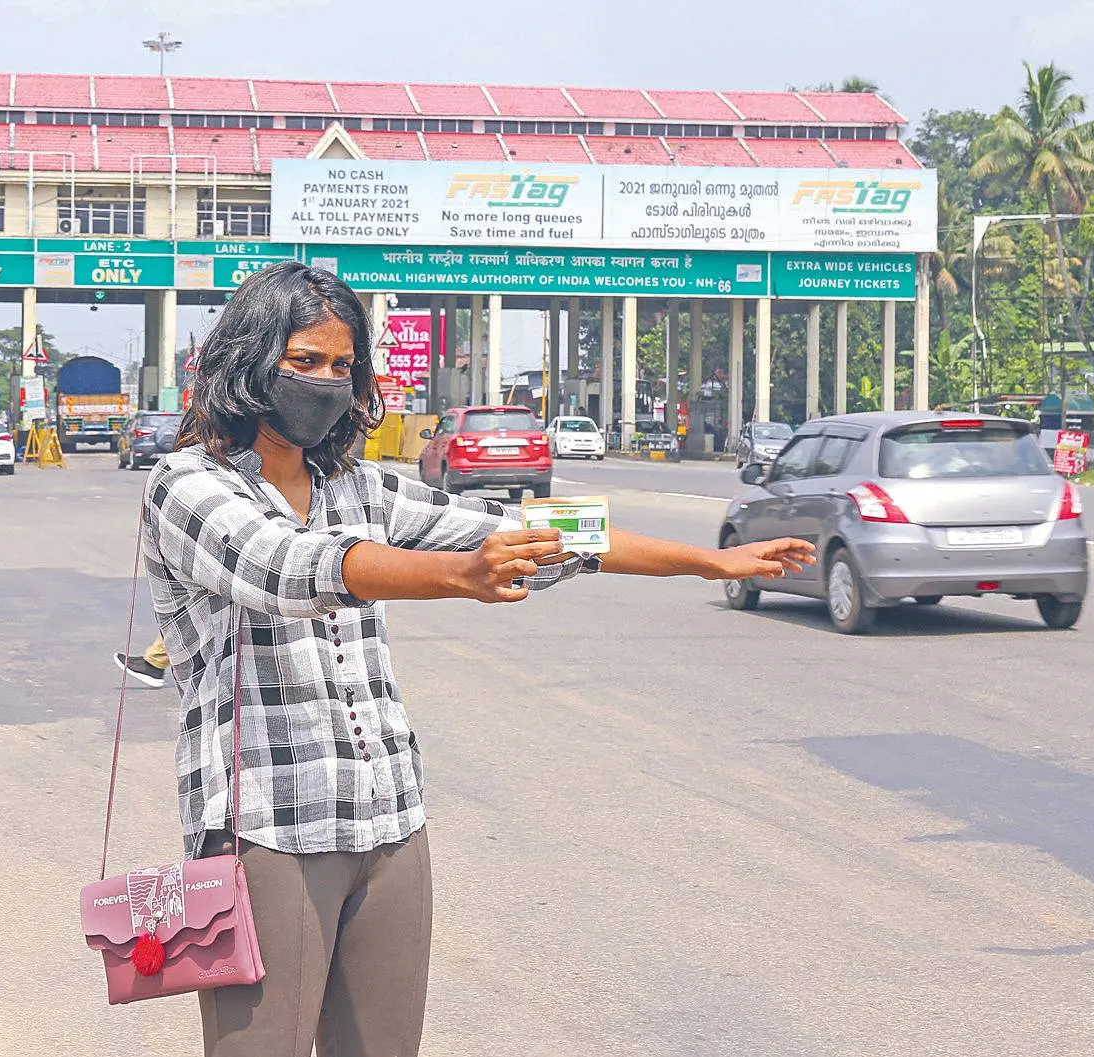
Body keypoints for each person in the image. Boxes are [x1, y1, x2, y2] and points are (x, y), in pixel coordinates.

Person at [139, 262, 812, 1057]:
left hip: (387, 820)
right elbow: (289, 567)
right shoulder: (187, 484)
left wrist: (710, 561)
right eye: (303, 360)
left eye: (340, 365)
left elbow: (536, 528)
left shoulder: (357, 487)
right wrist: (459, 575)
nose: (324, 380)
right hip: (267, 831)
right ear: (249, 361)